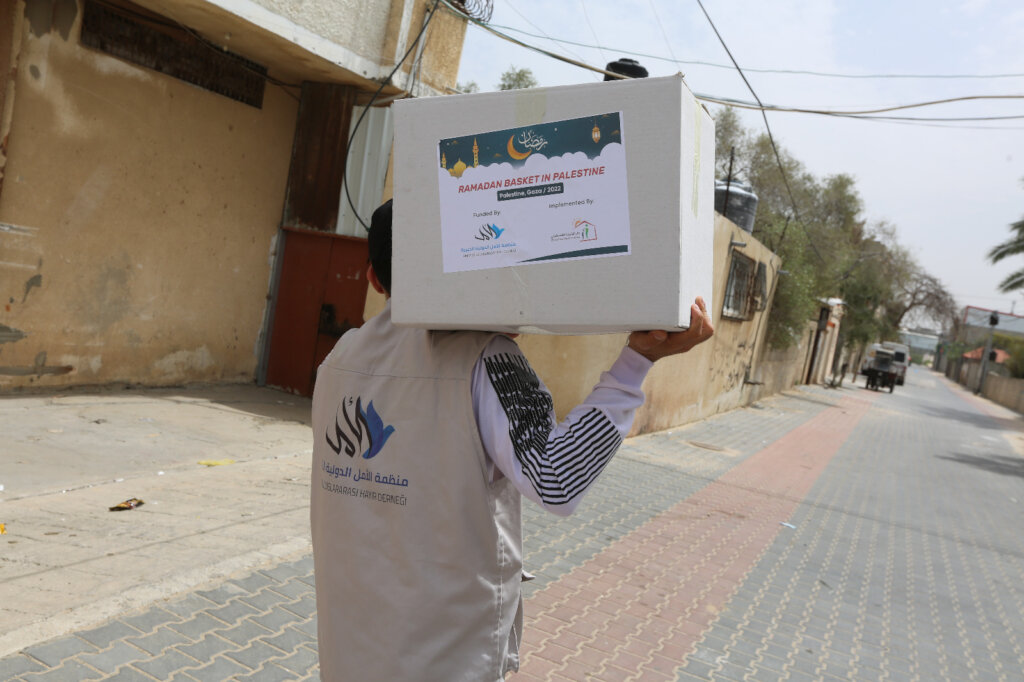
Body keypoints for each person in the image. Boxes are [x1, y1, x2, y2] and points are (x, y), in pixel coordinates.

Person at [310, 199, 713, 681]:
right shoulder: (486, 357)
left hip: (350, 645)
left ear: (374, 278)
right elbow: (557, 479)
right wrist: (636, 362)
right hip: (444, 654)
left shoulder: (339, 358)